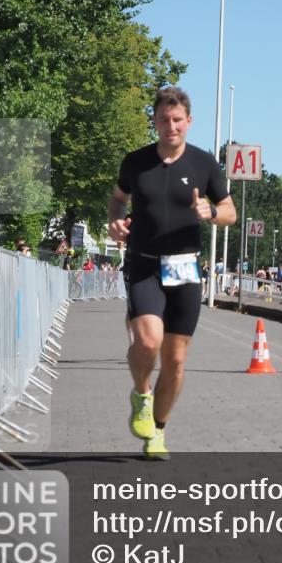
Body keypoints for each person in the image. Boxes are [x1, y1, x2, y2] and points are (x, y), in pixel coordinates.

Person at [107, 86, 237, 460]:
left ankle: (158, 432)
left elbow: (230, 211)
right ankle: (141, 394)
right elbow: (118, 198)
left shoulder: (204, 163)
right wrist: (115, 221)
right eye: (164, 119)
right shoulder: (136, 162)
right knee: (148, 342)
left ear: (189, 122)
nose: (170, 126)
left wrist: (210, 213)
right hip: (144, 262)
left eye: (177, 120)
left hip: (185, 268)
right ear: (155, 121)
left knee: (176, 359)